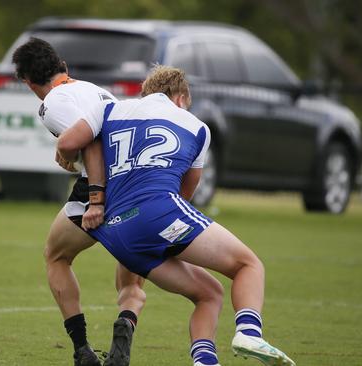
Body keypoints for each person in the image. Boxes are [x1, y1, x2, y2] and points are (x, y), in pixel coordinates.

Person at [57, 65, 295, 366]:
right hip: (159, 213)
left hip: (115, 231)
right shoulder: (196, 126)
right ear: (181, 97)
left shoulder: (110, 109)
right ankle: (249, 332)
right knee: (248, 265)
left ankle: (205, 362)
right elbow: (185, 193)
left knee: (209, 293)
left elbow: (67, 143)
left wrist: (71, 165)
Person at [12, 38, 216, 366]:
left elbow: (91, 144)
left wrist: (96, 199)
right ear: (62, 67)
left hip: (101, 189)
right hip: (136, 188)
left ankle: (82, 350)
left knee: (56, 256)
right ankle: (126, 322)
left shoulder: (53, 102)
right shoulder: (93, 90)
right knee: (132, 278)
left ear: (27, 81)